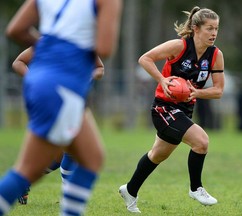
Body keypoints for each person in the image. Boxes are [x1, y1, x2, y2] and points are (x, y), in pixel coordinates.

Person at [0, 0, 122, 215]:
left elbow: (16, 29)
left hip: (42, 82)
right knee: (29, 169)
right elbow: (105, 47)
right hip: (63, 85)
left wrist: (49, 46)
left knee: (91, 158)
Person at [119, 6, 225, 213]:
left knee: (157, 155)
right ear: (196, 28)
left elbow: (219, 90)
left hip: (185, 110)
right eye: (209, 28)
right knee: (201, 142)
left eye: (216, 29)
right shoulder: (179, 46)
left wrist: (196, 93)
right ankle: (196, 188)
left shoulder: (215, 55)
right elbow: (145, 59)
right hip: (163, 107)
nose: (214, 33)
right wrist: (162, 79)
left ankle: (129, 190)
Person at [12, 47, 106, 205]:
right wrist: (37, 80)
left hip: (74, 100)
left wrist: (88, 76)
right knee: (75, 146)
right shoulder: (49, 40)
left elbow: (100, 68)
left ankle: (23, 181)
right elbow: (18, 62)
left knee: (60, 152)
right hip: (51, 101)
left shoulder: (83, 42)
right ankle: (67, 195)